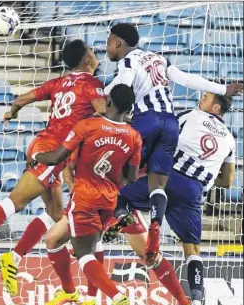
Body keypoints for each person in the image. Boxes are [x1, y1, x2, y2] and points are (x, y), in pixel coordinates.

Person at [0, 39, 106, 297]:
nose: (94, 52)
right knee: (18, 200)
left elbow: (24, 97)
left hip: (47, 147)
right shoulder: (92, 85)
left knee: (56, 213)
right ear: (87, 59)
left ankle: (12, 259)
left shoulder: (59, 82)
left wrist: (13, 110)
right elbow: (103, 115)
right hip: (53, 152)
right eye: (92, 50)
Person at [104, 23, 243, 266]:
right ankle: (154, 229)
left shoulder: (128, 62)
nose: (108, 47)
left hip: (146, 119)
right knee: (157, 181)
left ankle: (115, 218)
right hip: (169, 123)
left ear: (117, 42)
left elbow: (121, 87)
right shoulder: (160, 59)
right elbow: (188, 79)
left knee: (111, 173)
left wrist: (98, 97)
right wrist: (224, 89)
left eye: (108, 42)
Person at [105, 92, 238, 305]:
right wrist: (203, 170)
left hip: (166, 177)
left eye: (205, 98)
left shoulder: (191, 115)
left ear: (215, 107)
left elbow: (163, 133)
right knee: (192, 249)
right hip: (193, 191)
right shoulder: (230, 140)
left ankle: (122, 216)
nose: (199, 100)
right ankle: (197, 300)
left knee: (119, 194)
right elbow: (227, 181)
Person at [27, 84, 142, 305]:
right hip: (108, 200)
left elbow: (56, 157)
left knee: (83, 253)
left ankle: (116, 296)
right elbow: (131, 177)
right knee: (56, 240)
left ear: (108, 102)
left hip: (84, 198)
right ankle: (85, 298)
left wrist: (35, 155)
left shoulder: (87, 126)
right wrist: (110, 182)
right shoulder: (134, 135)